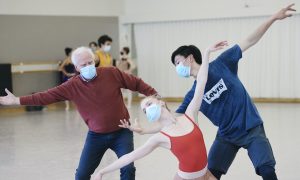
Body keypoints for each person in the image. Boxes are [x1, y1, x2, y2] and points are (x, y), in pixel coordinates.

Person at [170, 4, 296, 180]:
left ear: (190, 58)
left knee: (267, 170)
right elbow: (176, 117)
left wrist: (274, 17)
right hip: (226, 136)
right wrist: (154, 114)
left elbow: (250, 40)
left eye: (177, 62)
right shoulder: (193, 94)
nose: (176, 67)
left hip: (250, 127)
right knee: (210, 175)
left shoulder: (222, 63)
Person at [0, 47, 158, 180]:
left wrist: (153, 95)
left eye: (91, 62)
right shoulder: (72, 86)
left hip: (122, 131)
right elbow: (45, 97)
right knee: (81, 175)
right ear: (76, 68)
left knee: (128, 168)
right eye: (84, 64)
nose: (89, 66)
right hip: (96, 136)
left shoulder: (112, 73)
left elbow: (136, 83)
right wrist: (17, 101)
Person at [93, 41, 228, 180]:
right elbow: (130, 157)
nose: (147, 109)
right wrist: (102, 171)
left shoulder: (190, 114)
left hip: (206, 175)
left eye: (149, 103)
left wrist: (206, 53)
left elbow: (201, 82)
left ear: (161, 102)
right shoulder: (160, 137)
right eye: (145, 110)